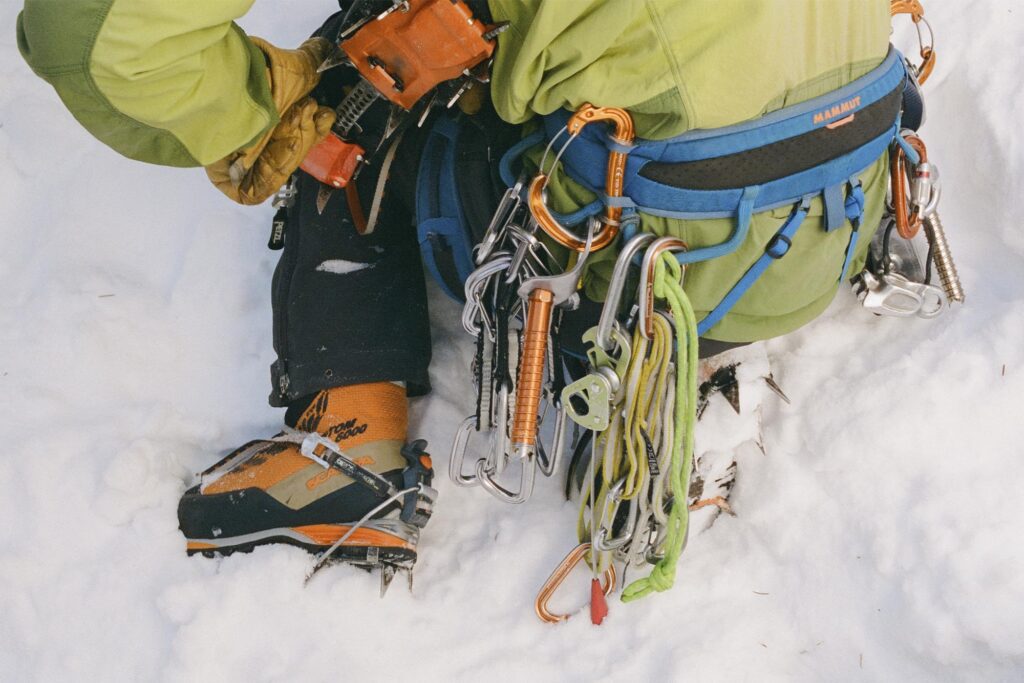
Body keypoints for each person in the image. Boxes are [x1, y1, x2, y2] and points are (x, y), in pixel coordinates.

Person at [16, 0, 892, 569]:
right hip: (826, 212)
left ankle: (353, 433)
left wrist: (257, 108)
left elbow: (94, 36)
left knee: (358, 88)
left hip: (648, 247)